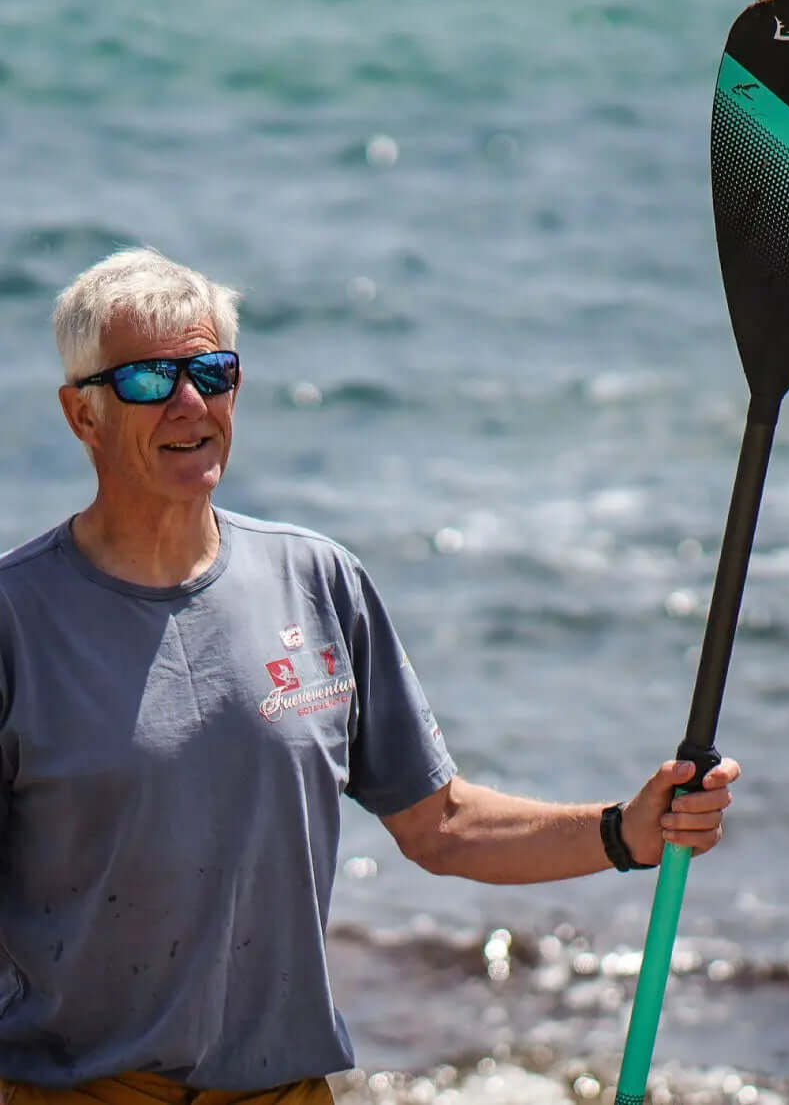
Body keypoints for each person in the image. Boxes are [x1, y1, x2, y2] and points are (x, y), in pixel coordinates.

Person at [0, 250, 740, 1105]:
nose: (190, 404)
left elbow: (442, 822)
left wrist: (625, 832)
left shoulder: (317, 582)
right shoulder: (20, 619)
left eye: (212, 371)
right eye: (148, 380)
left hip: (288, 1092)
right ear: (81, 415)